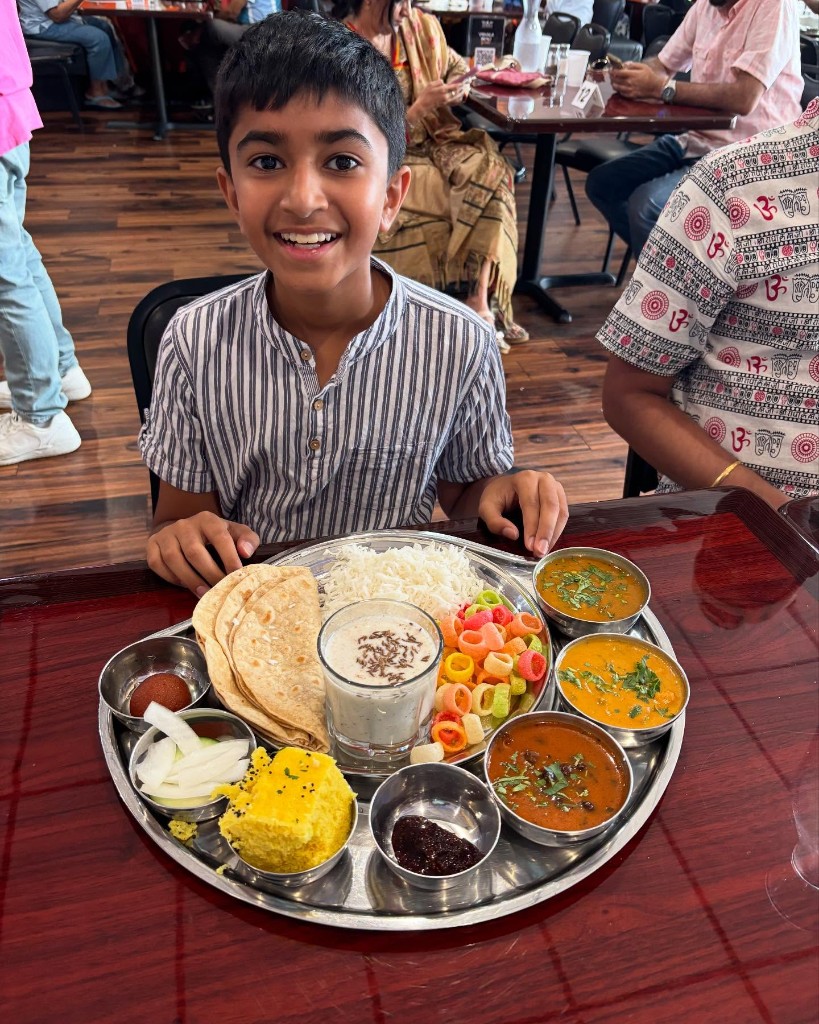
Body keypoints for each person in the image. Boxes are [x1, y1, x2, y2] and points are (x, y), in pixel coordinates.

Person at [138, 11, 568, 595]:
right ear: (232, 193)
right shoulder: (194, 341)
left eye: (342, 161)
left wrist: (505, 491)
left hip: (398, 615)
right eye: (267, 162)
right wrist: (180, 536)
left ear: (391, 197)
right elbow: (179, 518)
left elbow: (468, 496)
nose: (303, 199)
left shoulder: (459, 341)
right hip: (260, 612)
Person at [597, 99, 819, 510]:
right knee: (621, 193)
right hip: (741, 523)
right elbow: (629, 394)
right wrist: (778, 514)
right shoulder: (731, 188)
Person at [332, 0, 527, 351]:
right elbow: (349, 136)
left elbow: (456, 65)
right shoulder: (342, 47)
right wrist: (419, 109)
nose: (409, 11)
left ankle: (479, 299)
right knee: (468, 189)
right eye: (403, 2)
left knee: (494, 172)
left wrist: (457, 85)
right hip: (382, 158)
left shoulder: (418, 29)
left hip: (435, 141)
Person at [585, 0, 803, 255]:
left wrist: (661, 88)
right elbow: (664, 65)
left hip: (754, 155)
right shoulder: (705, 7)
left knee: (647, 208)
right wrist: (635, 75)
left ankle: (676, 274)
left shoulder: (774, 6)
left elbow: (744, 97)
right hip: (699, 141)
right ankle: (682, 270)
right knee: (603, 184)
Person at [0, 0, 91, 466]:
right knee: (14, 253)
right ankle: (58, 370)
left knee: (5, 273)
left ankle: (41, 417)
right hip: (8, 97)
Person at [16, 0, 139, 108]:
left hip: (57, 20)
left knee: (104, 26)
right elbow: (58, 15)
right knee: (98, 38)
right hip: (42, 26)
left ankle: (114, 85)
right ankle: (95, 92)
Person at [186, 0, 280, 98]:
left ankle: (220, 98)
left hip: (261, 31)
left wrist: (203, 23)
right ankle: (224, 95)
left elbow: (231, 12)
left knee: (210, 30)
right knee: (211, 39)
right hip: (271, 29)